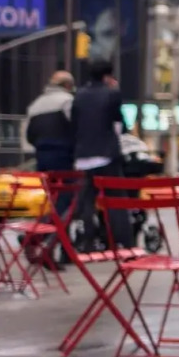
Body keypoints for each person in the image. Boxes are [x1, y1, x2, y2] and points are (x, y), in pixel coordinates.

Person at [71, 58, 129, 252]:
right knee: (116, 199)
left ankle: (87, 241)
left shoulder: (79, 95)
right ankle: (122, 242)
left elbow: (75, 123)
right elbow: (119, 126)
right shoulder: (112, 94)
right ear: (107, 76)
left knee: (87, 202)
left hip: (83, 158)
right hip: (106, 155)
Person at [24, 70, 75, 173]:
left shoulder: (35, 104)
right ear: (67, 85)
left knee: (48, 186)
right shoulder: (68, 101)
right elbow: (76, 125)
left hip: (41, 154)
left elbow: (29, 135)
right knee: (67, 186)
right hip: (65, 154)